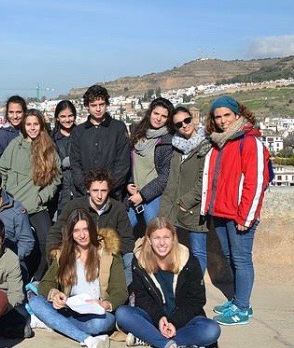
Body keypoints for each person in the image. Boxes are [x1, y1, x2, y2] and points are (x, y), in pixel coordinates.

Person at [200, 96, 271, 325]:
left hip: (239, 214)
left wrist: (246, 216)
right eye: (217, 117)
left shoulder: (249, 142)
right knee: (230, 257)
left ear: (237, 115)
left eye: (226, 115)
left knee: (241, 260)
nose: (222, 121)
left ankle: (242, 308)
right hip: (220, 211)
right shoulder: (220, 142)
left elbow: (256, 181)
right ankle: (238, 300)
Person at [28, 209, 127, 348]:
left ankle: (52, 322)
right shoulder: (63, 254)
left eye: (85, 229)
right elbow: (45, 283)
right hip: (71, 309)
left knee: (101, 324)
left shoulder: (109, 254)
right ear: (71, 234)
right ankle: (86, 339)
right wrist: (56, 294)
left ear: (92, 229)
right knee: (35, 302)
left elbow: (120, 291)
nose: (82, 235)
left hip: (96, 312)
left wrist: (104, 304)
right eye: (76, 231)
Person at [115, 217, 220, 348]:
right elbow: (142, 297)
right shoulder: (139, 261)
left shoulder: (188, 260)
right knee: (122, 313)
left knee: (212, 330)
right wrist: (159, 318)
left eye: (166, 237)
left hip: (183, 319)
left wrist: (174, 322)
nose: (162, 243)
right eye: (156, 238)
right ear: (149, 240)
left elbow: (196, 300)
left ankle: (151, 339)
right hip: (153, 318)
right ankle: (168, 344)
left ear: (173, 238)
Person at [0, 108, 61, 279]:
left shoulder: (49, 148)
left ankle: (39, 279)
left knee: (47, 242)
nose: (32, 128)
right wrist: (4, 195)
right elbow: (1, 169)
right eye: (29, 124)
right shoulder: (15, 145)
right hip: (13, 205)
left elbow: (56, 178)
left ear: (41, 125)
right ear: (24, 126)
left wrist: (42, 197)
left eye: (35, 124)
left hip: (37, 206)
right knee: (14, 243)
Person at [47, 168, 134, 284]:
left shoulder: (118, 209)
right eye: (95, 190)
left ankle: (125, 293)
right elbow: (56, 233)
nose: (99, 196)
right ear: (88, 190)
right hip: (78, 256)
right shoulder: (73, 206)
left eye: (103, 191)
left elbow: (128, 241)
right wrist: (55, 255)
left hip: (108, 258)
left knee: (130, 258)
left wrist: (106, 252)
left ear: (109, 190)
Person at [158, 107, 211, 275]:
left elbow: (206, 180)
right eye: (179, 124)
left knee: (198, 252)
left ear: (193, 119)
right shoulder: (175, 146)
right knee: (168, 249)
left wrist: (186, 201)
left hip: (195, 207)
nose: (184, 125)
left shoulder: (206, 145)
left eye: (187, 120)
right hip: (172, 206)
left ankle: (196, 288)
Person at [70, 85, 131, 201]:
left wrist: (106, 189)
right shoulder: (79, 132)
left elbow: (122, 164)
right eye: (93, 105)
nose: (98, 109)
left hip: (113, 196)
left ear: (106, 104)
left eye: (101, 104)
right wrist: (88, 190)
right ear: (87, 107)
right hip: (85, 197)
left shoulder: (118, 128)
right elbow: (76, 164)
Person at [126, 98, 175, 229]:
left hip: (154, 197)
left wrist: (143, 195)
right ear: (150, 113)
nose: (158, 118)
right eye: (156, 113)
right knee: (122, 233)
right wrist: (130, 183)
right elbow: (132, 165)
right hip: (135, 194)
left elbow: (165, 177)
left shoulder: (167, 142)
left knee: (156, 235)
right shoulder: (138, 134)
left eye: (164, 116)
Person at [52, 100, 77, 214]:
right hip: (59, 193)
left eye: (70, 116)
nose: (67, 120)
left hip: (79, 190)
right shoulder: (51, 139)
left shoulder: (82, 135)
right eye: (63, 116)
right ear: (57, 118)